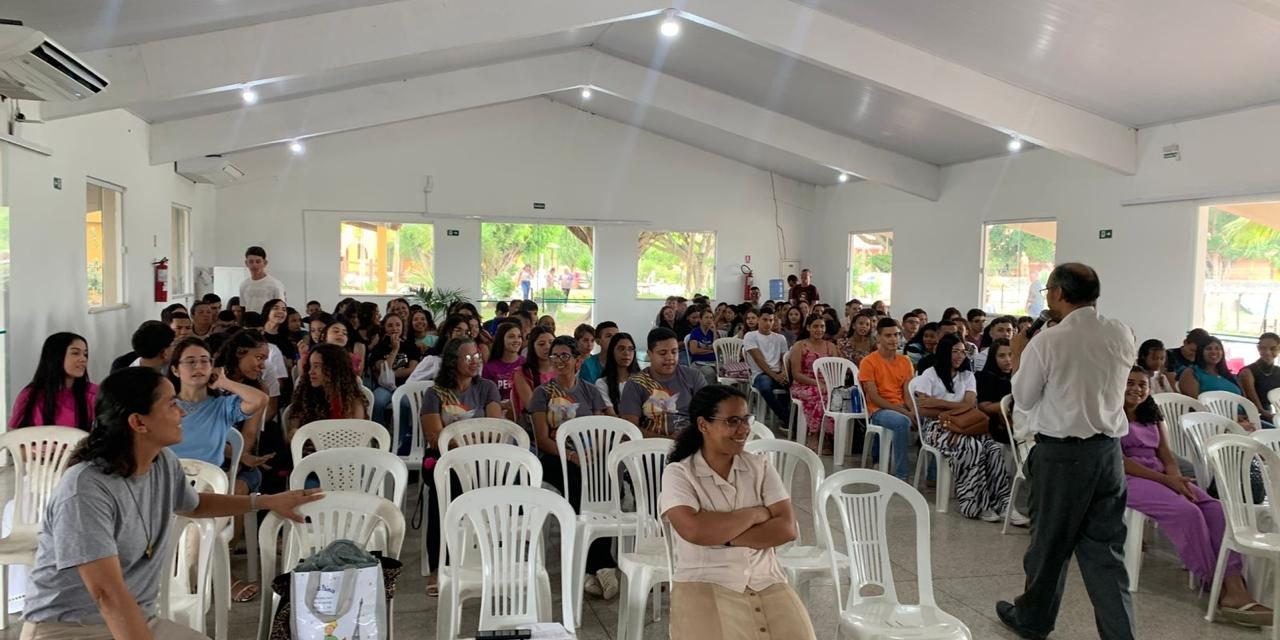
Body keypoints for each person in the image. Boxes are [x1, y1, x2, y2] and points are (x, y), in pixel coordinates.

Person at [19, 367, 321, 640]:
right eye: (171, 404)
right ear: (138, 422)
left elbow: (194, 504)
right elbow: (107, 595)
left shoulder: (161, 462)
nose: (183, 413)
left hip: (135, 618)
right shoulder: (86, 488)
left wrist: (266, 501)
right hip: (69, 629)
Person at [997, 263, 1138, 640]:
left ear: (1058, 293)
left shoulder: (1049, 341)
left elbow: (1024, 399)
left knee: (1049, 546)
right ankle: (1120, 634)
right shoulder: (1121, 332)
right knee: (1106, 553)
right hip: (1108, 455)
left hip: (1063, 458)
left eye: (1048, 291)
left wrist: (1020, 354)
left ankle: (1033, 620)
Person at [660, 385, 815, 640]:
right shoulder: (679, 473)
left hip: (766, 578)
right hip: (703, 580)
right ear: (703, 425)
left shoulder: (760, 466)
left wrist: (721, 535)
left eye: (746, 419)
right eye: (733, 421)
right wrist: (755, 515)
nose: (744, 429)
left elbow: (787, 529)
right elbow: (694, 530)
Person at [1118, 367, 1269, 627]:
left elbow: (1166, 454)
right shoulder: (1109, 416)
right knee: (1186, 513)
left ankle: (1234, 582)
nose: (1136, 389)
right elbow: (1118, 461)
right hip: (1130, 479)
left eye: (1142, 384)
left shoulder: (1152, 415)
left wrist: (1176, 479)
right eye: (1129, 383)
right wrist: (1167, 481)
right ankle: (1215, 582)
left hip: (1162, 474)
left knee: (1216, 509)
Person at [165, 337, 271, 602]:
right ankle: (206, 588)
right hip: (166, 487)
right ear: (176, 370)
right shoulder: (163, 407)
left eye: (204, 361)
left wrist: (224, 382)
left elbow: (259, 400)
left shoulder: (222, 406)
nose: (198, 366)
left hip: (209, 491)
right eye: (190, 362)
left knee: (193, 535)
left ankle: (190, 600)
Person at [529, 337, 619, 600]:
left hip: (588, 456)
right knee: (582, 486)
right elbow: (542, 439)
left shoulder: (590, 391)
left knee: (603, 485)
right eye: (554, 356)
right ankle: (601, 565)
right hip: (554, 458)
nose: (559, 361)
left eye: (565, 356)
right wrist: (571, 455)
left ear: (577, 360)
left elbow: (601, 428)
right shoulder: (542, 394)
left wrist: (591, 453)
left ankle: (593, 568)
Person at [419, 337, 503, 595]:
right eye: (468, 357)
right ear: (453, 361)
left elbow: (494, 428)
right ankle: (439, 566)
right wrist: (463, 448)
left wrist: (470, 446)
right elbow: (435, 435)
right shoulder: (435, 393)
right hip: (446, 461)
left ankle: (491, 561)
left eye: (477, 356)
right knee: (442, 496)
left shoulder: (487, 387)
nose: (475, 361)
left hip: (481, 461)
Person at [916, 334, 1011, 521]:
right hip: (937, 427)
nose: (960, 356)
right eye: (955, 351)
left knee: (992, 448)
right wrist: (952, 405)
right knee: (971, 447)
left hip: (966, 424)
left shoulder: (967, 376)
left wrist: (937, 402)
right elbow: (925, 410)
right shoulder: (930, 374)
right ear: (945, 353)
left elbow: (969, 405)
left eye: (962, 351)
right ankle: (975, 505)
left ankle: (1004, 504)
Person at [619, 328, 707, 438]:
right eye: (663, 353)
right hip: (649, 448)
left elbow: (707, 415)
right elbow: (629, 430)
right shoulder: (636, 384)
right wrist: (667, 440)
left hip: (690, 441)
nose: (670, 357)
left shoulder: (693, 377)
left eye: (674, 352)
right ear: (649, 354)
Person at [858, 318, 915, 480]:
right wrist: (903, 411)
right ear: (878, 337)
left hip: (901, 406)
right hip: (878, 410)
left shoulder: (905, 361)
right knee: (901, 422)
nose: (893, 339)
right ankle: (902, 475)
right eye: (888, 335)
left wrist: (913, 411)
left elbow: (907, 392)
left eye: (896, 335)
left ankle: (932, 475)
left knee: (931, 419)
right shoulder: (869, 361)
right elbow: (875, 397)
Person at [10, 332, 97, 430]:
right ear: (56, 356)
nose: (83, 359)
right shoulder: (30, 396)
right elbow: (14, 437)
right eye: (75, 353)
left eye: (85, 354)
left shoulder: (94, 393)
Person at [285, 343, 369, 441]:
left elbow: (357, 438)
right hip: (309, 453)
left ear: (333, 369)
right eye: (310, 366)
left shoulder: (353, 401)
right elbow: (293, 429)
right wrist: (295, 433)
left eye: (317, 366)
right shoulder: (305, 395)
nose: (311, 371)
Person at [787, 314, 839, 450]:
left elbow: (835, 369)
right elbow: (796, 374)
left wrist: (827, 384)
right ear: (808, 328)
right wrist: (817, 383)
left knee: (833, 396)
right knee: (819, 394)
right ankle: (814, 434)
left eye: (822, 326)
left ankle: (828, 435)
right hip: (803, 384)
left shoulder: (830, 346)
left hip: (827, 385)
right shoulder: (800, 346)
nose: (819, 330)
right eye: (815, 326)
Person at [742, 310, 790, 425]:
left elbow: (785, 358)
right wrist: (775, 376)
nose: (768, 323)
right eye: (765, 319)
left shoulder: (780, 338)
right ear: (758, 320)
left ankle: (791, 420)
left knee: (795, 386)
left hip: (778, 373)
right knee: (765, 387)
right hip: (760, 374)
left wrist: (784, 372)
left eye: (771, 320)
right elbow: (759, 360)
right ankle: (788, 420)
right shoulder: (750, 336)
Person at [483, 321, 525, 420]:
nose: (516, 340)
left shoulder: (526, 364)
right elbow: (485, 398)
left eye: (519, 336)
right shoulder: (490, 367)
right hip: (498, 416)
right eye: (511, 336)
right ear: (501, 339)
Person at [976, 338, 1014, 444]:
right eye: (1002, 356)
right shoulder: (985, 376)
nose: (1008, 359)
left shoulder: (1018, 374)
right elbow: (984, 407)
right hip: (997, 424)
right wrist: (1013, 400)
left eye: (1011, 354)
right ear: (993, 358)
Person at [514, 326, 555, 421]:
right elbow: (531, 406)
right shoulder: (522, 373)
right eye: (541, 344)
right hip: (535, 421)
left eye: (551, 343)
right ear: (532, 347)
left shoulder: (562, 368)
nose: (547, 347)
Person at [1238, 332, 1280, 426]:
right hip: (1251, 416)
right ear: (1258, 348)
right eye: (1263, 348)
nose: (1267, 352)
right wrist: (1274, 417)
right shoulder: (1247, 372)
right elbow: (1255, 407)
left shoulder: (1277, 371)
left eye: (1272, 349)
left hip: (1269, 414)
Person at [238, 246, 286, 316]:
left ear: (265, 263)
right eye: (251, 261)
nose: (254, 265)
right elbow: (243, 307)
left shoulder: (275, 284)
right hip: (249, 324)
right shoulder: (244, 284)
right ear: (246, 263)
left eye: (258, 261)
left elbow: (281, 308)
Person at [597, 332, 640, 410]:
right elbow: (610, 413)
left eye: (630, 349)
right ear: (612, 352)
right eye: (621, 348)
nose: (626, 353)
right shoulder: (602, 383)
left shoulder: (641, 380)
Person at [686, 308, 719, 383]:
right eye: (706, 317)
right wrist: (710, 351)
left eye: (711, 318)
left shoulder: (712, 332)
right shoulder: (695, 332)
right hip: (699, 363)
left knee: (725, 371)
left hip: (713, 362)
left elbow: (716, 349)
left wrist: (714, 333)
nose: (709, 320)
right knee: (710, 372)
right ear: (700, 319)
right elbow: (694, 350)